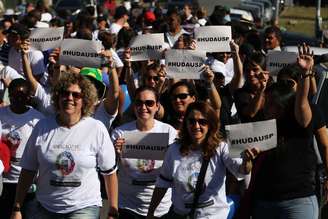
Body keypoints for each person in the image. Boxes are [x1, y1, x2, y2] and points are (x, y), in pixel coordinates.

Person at [10, 73, 118, 219]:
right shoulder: (42, 127)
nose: (70, 98)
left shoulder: (96, 128)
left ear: (85, 100)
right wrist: (17, 207)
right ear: (57, 97)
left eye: (76, 95)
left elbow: (109, 173)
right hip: (45, 207)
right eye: (65, 93)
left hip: (84, 207)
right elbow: (28, 170)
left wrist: (113, 209)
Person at [147, 101, 259, 218]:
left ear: (210, 124)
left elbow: (242, 171)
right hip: (181, 215)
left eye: (202, 122)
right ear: (185, 123)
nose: (196, 126)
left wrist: (247, 161)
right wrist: (151, 212)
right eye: (191, 121)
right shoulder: (174, 150)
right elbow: (162, 184)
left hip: (212, 215)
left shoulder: (221, 148)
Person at [111, 86, 177, 218]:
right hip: (127, 205)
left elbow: (174, 168)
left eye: (149, 103)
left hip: (160, 206)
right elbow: (108, 169)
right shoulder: (120, 133)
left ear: (157, 106)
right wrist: (114, 152)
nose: (143, 107)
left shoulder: (169, 132)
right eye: (139, 103)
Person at [0, 78, 44, 219]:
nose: (17, 100)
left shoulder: (38, 120)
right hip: (5, 180)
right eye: (13, 96)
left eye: (22, 96)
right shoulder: (1, 114)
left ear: (29, 97)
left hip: (28, 182)